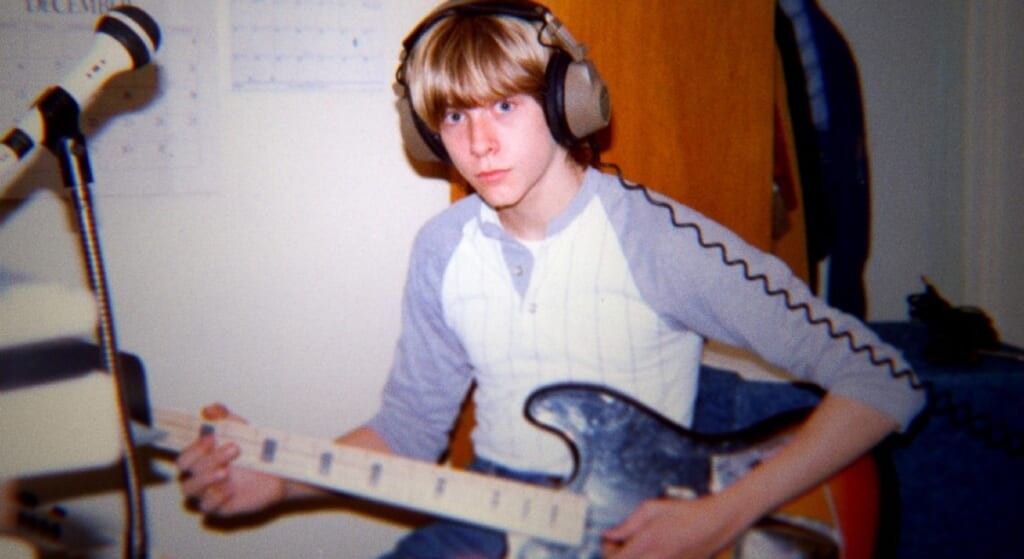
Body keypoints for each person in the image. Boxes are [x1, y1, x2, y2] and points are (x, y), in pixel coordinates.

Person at [176, 2, 925, 557]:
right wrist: (279, 477)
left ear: (569, 101)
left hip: (645, 520)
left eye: (506, 104)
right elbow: (406, 433)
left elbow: (884, 380)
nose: (479, 142)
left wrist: (722, 515)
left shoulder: (653, 238)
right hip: (494, 509)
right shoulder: (442, 248)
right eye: (454, 117)